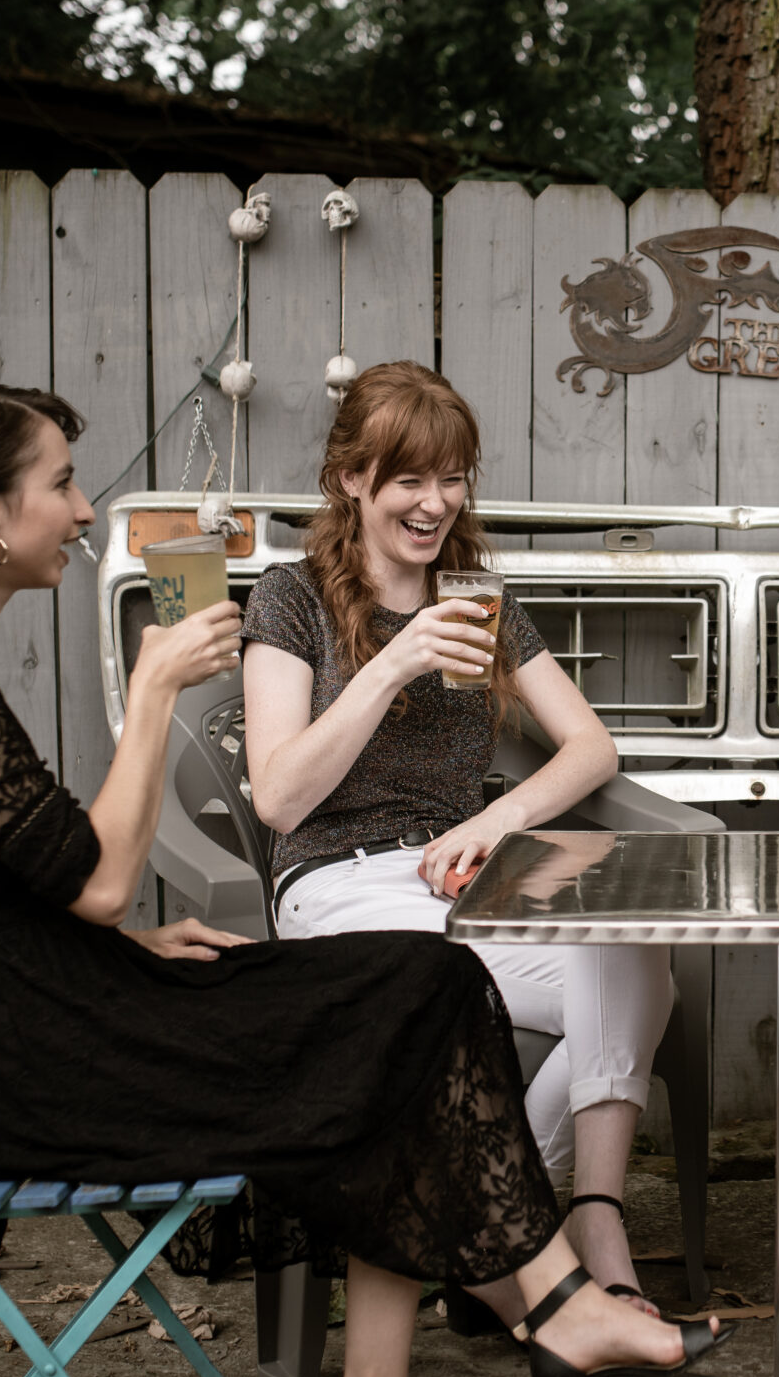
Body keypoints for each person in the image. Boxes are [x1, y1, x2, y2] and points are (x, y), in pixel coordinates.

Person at [0, 382, 721, 1377]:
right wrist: (155, 688)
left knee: (415, 991)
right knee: (398, 1013)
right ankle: (542, 1308)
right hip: (8, 1078)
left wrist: (131, 951)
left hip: (54, 1011)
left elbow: (3, 884)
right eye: (60, 483)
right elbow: (105, 877)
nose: (79, 512)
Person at [241, 360, 676, 1320]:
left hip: (459, 876)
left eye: (453, 477)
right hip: (340, 881)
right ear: (352, 478)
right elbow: (278, 797)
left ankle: (580, 1217)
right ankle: (515, 1249)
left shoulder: (478, 593)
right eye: (411, 479)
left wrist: (493, 818)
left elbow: (589, 745)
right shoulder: (291, 598)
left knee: (635, 955)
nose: (436, 503)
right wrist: (394, 661)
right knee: (479, 1009)